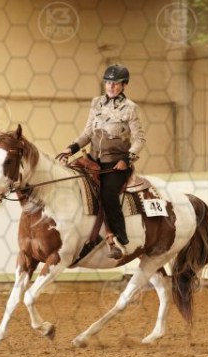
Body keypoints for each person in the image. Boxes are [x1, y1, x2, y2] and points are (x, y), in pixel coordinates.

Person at [59, 64, 146, 259]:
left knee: (108, 194)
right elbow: (87, 133)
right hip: (93, 160)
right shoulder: (96, 103)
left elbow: (140, 139)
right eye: (108, 83)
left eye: (116, 83)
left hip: (116, 164)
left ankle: (119, 239)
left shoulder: (130, 108)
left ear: (124, 85)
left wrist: (127, 159)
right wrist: (71, 148)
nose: (111, 87)